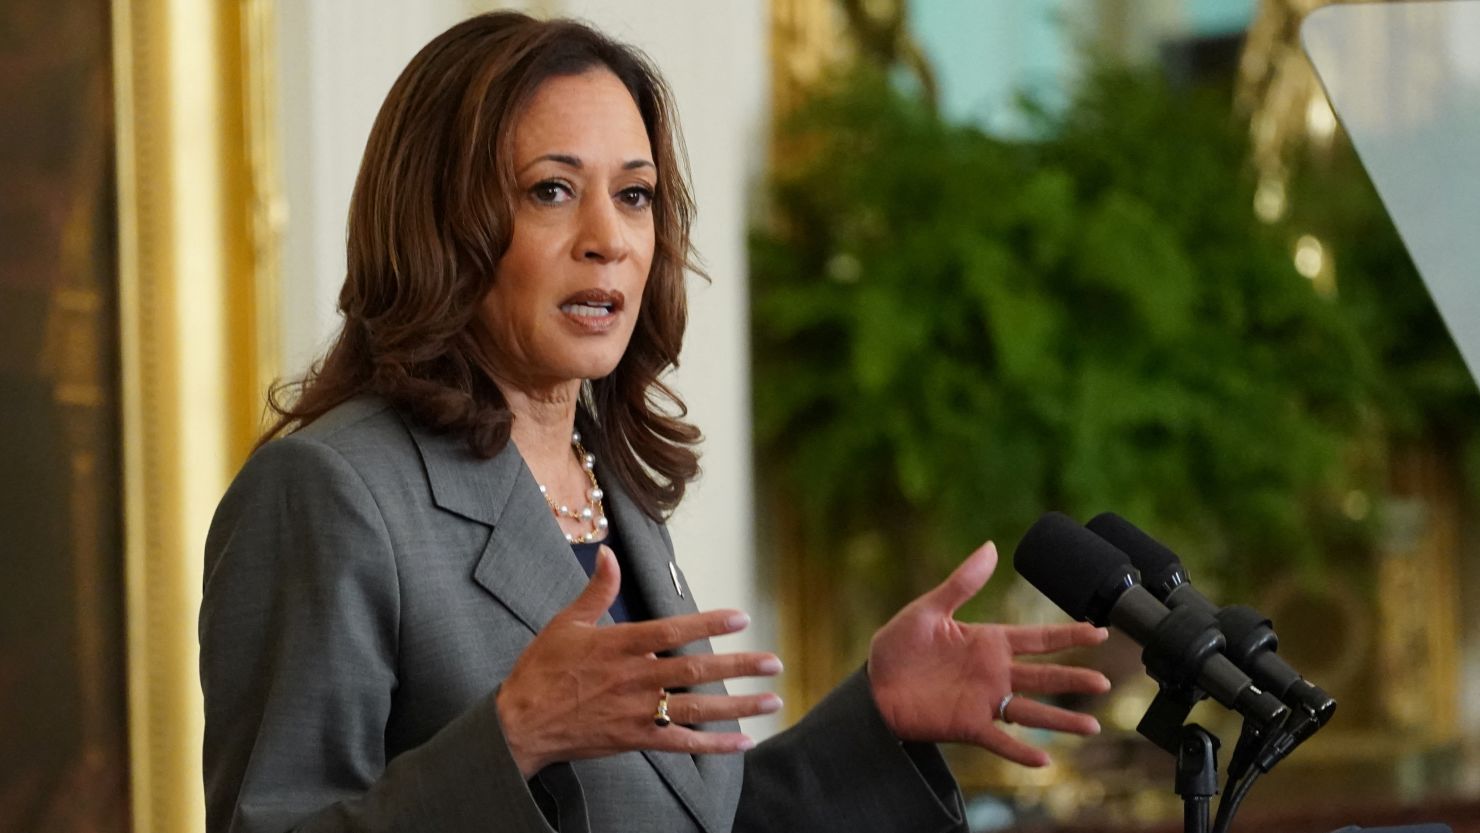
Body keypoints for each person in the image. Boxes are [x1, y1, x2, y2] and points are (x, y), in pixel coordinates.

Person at [199, 11, 1111, 833]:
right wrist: (510, 740)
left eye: (634, 195)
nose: (610, 237)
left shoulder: (612, 482)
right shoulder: (330, 490)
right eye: (552, 190)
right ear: (441, 221)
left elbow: (692, 820)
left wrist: (875, 713)